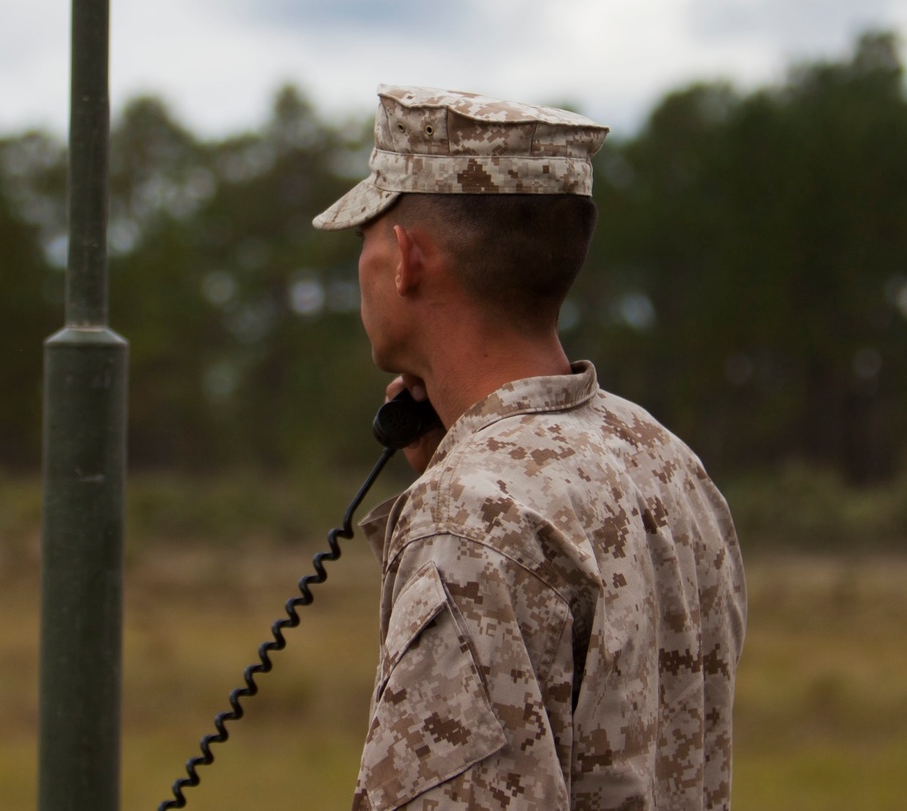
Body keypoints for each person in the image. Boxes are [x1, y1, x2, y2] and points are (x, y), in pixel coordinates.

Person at [313, 84, 746, 811]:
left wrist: (460, 482)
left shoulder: (473, 518)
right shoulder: (667, 461)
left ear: (405, 259)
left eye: (365, 235)